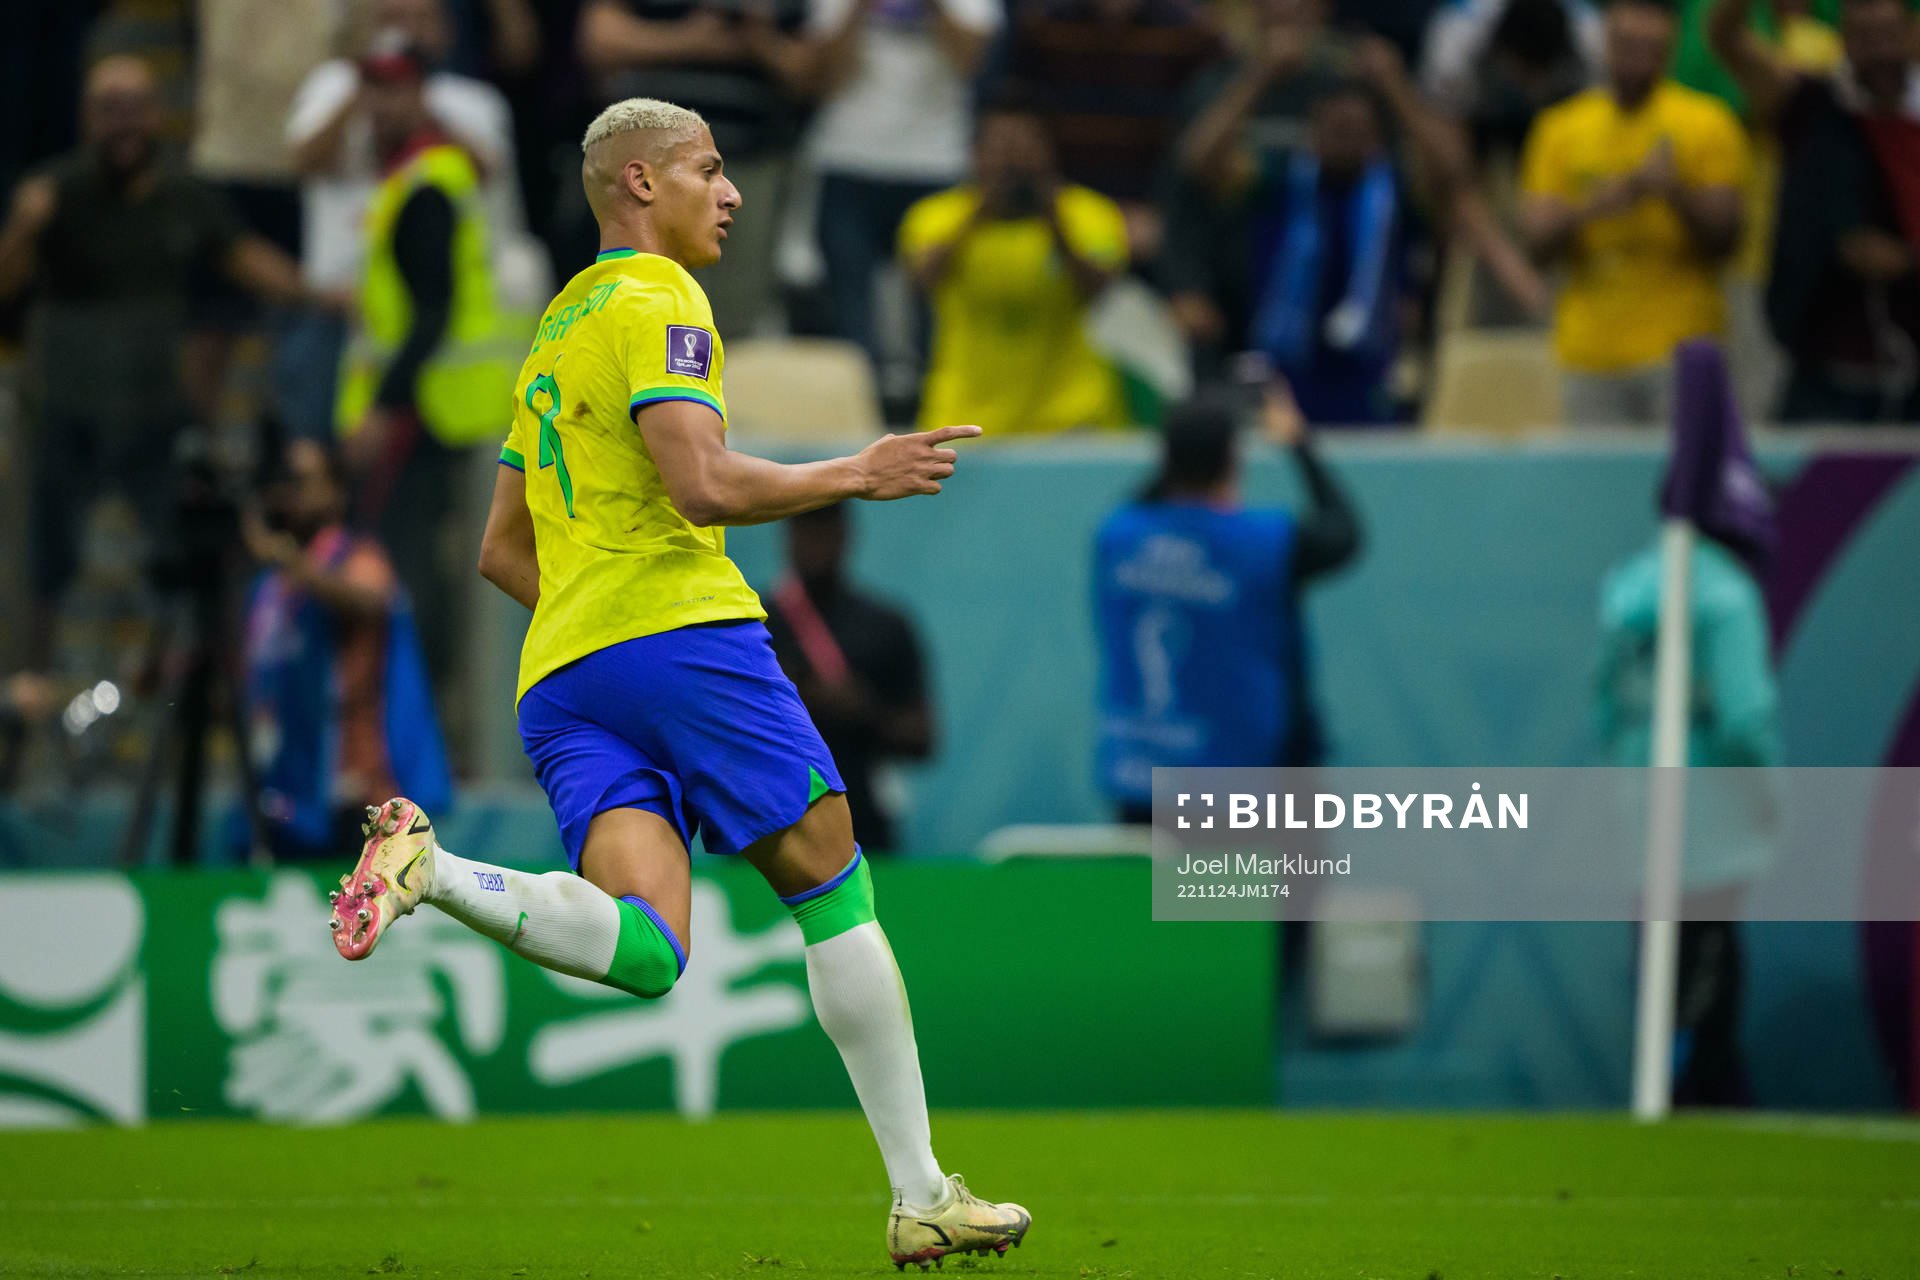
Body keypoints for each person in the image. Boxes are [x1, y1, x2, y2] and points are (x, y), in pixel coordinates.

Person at [325, 98, 1030, 1267]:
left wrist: (598, 621)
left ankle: (436, 870)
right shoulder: (661, 297)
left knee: (647, 948)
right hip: (678, 632)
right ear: (641, 184)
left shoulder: (556, 328)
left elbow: (502, 550)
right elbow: (700, 485)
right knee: (832, 879)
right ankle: (921, 1192)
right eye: (710, 170)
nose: (733, 192)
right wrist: (857, 469)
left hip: (559, 671)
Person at [0, 55, 314, 670]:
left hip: (153, 421)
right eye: (109, 110)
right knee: (40, 572)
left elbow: (245, 257)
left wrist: (324, 296)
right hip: (66, 419)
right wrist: (23, 229)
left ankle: (203, 692)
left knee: (191, 562)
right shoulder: (56, 192)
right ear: (87, 118)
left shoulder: (182, 194)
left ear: (159, 116)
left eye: (136, 108)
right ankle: (25, 701)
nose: (124, 124)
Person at [332, 35, 527, 727]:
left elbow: (433, 308)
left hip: (433, 422)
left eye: (396, 86)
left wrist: (382, 409)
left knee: (418, 592)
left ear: (422, 94)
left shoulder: (427, 183)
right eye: (374, 86)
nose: (383, 101)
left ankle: (435, 735)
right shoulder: (413, 177)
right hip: (440, 416)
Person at [1094, 380, 1361, 822]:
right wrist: (1298, 442)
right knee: (1251, 893)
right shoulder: (1262, 544)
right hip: (1246, 790)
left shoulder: (1117, 538)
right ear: (1233, 459)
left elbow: (1148, 496)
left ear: (1166, 460)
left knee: (1156, 892)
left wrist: (1189, 436)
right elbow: (1344, 534)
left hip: (1141, 782)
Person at [1595, 507, 1780, 1105]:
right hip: (1709, 805)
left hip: (1635, 797)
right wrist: (1769, 795)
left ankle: (1664, 1078)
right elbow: (1744, 720)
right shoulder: (1727, 597)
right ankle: (1702, 1087)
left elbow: (1603, 700)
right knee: (1710, 951)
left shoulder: (1626, 590)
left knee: (1658, 952)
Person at [284, 0, 528, 441]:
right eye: (392, 18)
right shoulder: (332, 88)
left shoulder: (470, 100)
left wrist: (421, 107)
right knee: (315, 460)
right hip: (337, 314)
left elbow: (488, 173)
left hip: (426, 324)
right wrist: (361, 93)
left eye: (420, 19)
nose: (406, 32)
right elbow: (304, 160)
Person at [1519, 0, 1748, 425]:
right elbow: (1535, 243)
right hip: (1587, 352)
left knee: (1685, 487)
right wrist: (1599, 204)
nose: (1636, 56)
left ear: (1669, 47)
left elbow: (1727, 239)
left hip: (1682, 348)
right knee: (1594, 489)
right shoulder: (1560, 127)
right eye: (1625, 43)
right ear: (1606, 42)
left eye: (1649, 46)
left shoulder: (1707, 121)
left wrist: (1674, 191)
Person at [1708, 0, 1920, 423]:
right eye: (1865, 37)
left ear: (1913, 36)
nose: (1880, 53)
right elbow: (1725, 36)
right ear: (1841, 40)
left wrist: (1903, 261)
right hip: (1825, 373)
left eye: (1889, 36)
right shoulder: (1812, 105)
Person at [240, 438, 450, 863]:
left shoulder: (357, 558)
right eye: (282, 481)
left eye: (301, 481)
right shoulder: (270, 586)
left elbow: (368, 600)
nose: (289, 493)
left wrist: (288, 559)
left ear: (336, 491)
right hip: (284, 789)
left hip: (353, 791)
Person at [577, 0, 813, 335]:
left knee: (733, 320)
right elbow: (597, 40)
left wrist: (761, 42)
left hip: (750, 165)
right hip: (647, 166)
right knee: (629, 305)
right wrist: (688, 39)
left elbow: (812, 73)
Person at [899, 101, 1131, 435]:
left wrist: (1055, 225)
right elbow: (922, 281)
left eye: (1025, 149)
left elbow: (1099, 290)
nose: (1013, 162)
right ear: (975, 153)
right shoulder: (936, 216)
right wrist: (979, 215)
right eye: (1000, 149)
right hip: (965, 416)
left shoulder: (1088, 213)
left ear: (1048, 152)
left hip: (1071, 416)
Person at [803, 0, 1002, 374]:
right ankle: (857, 422)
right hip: (850, 158)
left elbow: (974, 65)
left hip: (937, 163)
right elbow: (818, 77)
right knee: (850, 317)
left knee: (937, 318)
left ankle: (938, 422)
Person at [764, 504, 936, 854]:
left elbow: (923, 738)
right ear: (788, 537)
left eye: (826, 529)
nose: (816, 542)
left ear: (846, 535)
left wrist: (861, 710)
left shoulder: (885, 626)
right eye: (806, 529)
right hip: (769, 826)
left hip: (862, 825)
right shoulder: (756, 625)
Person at [1244, 80, 1408, 425]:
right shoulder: (1279, 182)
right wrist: (1261, 75)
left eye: (1355, 130)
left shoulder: (1394, 195)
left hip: (1366, 369)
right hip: (1289, 367)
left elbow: (1456, 174)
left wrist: (1398, 87)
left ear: (1376, 138)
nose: (1344, 139)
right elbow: (1199, 161)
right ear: (1313, 133)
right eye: (1335, 128)